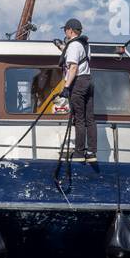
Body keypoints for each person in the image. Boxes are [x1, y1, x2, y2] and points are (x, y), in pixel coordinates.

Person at [57, 18, 96, 162]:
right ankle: (92, 152)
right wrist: (62, 47)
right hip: (88, 80)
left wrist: (66, 86)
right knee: (90, 119)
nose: (64, 32)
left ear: (70, 30)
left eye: (65, 30)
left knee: (79, 119)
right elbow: (80, 58)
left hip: (78, 83)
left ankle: (79, 153)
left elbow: (73, 67)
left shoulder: (73, 46)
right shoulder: (85, 44)